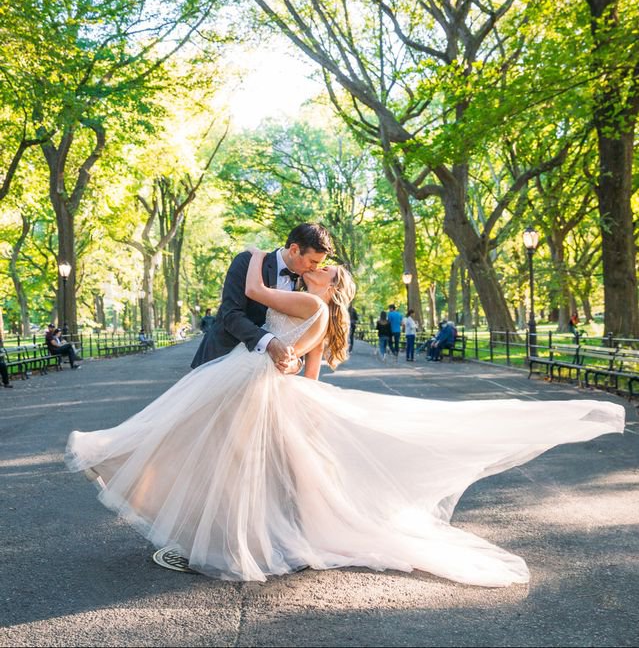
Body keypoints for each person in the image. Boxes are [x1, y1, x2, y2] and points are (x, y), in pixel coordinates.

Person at [65, 249, 625, 588]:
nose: (316, 269)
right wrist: (293, 399)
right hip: (272, 396)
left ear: (331, 287)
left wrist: (258, 259)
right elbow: (307, 372)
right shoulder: (319, 308)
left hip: (260, 393)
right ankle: (229, 537)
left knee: (214, 458)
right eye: (315, 263)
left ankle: (216, 539)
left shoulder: (312, 303)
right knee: (245, 470)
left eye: (324, 270)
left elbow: (256, 294)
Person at [190, 222, 333, 372]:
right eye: (313, 261)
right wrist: (269, 342)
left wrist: (293, 365)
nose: (314, 268)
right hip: (221, 362)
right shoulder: (247, 261)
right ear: (294, 250)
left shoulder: (306, 283)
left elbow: (298, 335)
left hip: (265, 374)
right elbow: (230, 315)